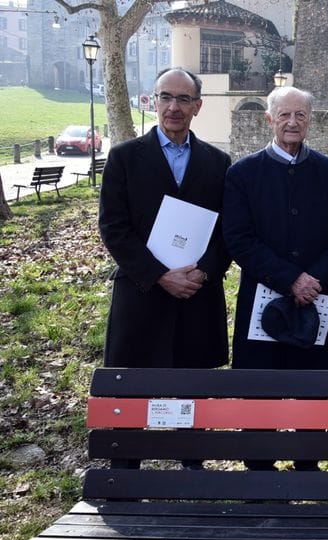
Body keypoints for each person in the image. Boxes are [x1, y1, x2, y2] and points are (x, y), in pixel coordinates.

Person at [98, 67, 230, 471]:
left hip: (197, 293)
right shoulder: (123, 158)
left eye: (183, 99)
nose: (174, 107)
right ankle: (124, 473)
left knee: (193, 387)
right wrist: (158, 274)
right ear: (153, 101)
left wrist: (203, 271)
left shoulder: (218, 162)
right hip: (142, 294)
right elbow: (113, 227)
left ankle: (192, 468)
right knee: (133, 389)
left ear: (198, 106)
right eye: (166, 97)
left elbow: (230, 229)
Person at [222, 86, 328, 470]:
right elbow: (238, 239)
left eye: (300, 115)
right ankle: (261, 475)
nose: (292, 122)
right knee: (260, 390)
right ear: (270, 119)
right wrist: (290, 279)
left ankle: (308, 469)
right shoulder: (243, 174)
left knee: (314, 390)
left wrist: (313, 278)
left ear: (310, 120)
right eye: (284, 115)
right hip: (263, 296)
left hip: (320, 297)